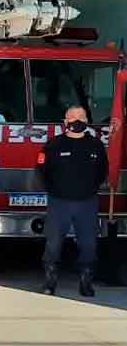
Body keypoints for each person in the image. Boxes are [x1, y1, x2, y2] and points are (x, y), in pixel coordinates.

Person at [38, 105, 107, 297]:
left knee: (88, 245)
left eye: (81, 117)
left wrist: (89, 189)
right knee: (53, 244)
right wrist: (54, 191)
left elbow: (103, 172)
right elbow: (42, 171)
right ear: (65, 122)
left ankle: (86, 283)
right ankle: (50, 282)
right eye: (72, 117)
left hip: (87, 203)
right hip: (59, 203)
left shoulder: (96, 145)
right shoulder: (53, 145)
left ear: (86, 121)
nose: (77, 120)